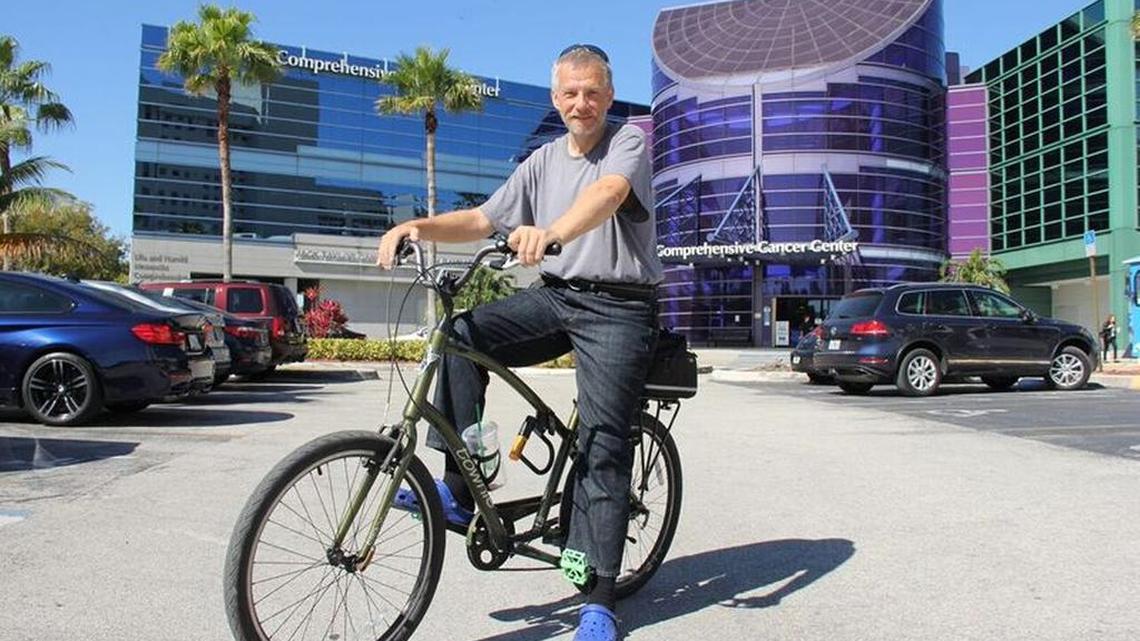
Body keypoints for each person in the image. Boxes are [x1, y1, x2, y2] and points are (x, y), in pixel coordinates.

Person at [377, 43, 661, 641]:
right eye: (570, 93)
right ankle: (460, 488)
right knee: (461, 335)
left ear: (609, 95)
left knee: (603, 444)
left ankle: (599, 599)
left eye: (592, 92)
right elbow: (484, 219)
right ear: (555, 98)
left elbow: (608, 195)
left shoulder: (628, 143)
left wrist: (552, 231)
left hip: (619, 306)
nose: (581, 103)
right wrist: (416, 225)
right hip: (558, 296)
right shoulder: (542, 160)